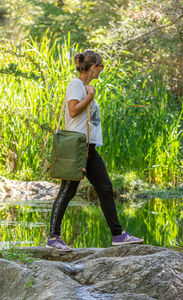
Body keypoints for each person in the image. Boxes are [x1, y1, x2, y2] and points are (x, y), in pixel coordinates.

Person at [46, 50, 144, 251]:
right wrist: (90, 95)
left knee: (105, 188)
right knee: (68, 190)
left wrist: (90, 93)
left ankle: (117, 235)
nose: (102, 69)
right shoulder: (76, 85)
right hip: (77, 148)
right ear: (93, 67)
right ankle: (53, 238)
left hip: (89, 148)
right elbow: (73, 110)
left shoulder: (86, 87)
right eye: (101, 66)